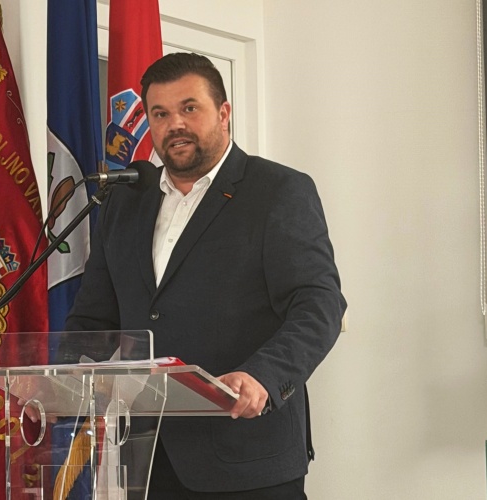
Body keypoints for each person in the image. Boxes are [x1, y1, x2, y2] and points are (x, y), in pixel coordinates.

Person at [64, 52, 347, 499]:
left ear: (224, 113)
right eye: (160, 114)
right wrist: (57, 379)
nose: (174, 124)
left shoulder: (277, 191)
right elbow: (94, 319)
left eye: (189, 108)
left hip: (247, 457)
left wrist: (263, 376)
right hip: (147, 459)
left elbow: (319, 304)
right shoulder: (124, 202)